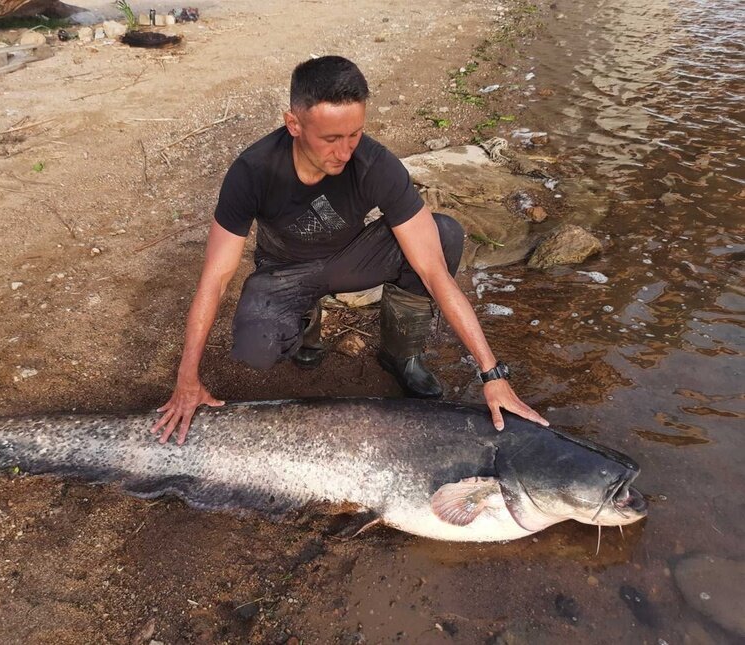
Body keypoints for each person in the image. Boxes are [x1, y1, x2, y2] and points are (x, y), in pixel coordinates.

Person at [151, 56, 548, 445]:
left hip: (351, 258)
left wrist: (492, 375)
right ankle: (308, 321)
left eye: (354, 134)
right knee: (256, 349)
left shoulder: (376, 164)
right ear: (294, 124)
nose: (344, 152)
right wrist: (187, 378)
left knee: (443, 235)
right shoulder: (253, 170)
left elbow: (432, 271)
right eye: (330, 139)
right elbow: (216, 276)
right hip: (284, 268)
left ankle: (401, 355)